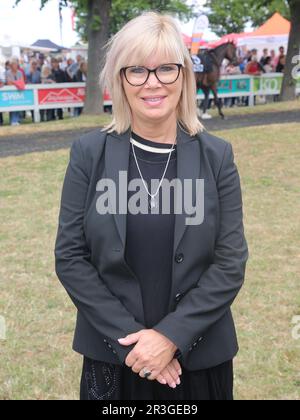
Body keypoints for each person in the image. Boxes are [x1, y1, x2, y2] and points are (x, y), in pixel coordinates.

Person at [54, 11, 248, 401]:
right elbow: (71, 258)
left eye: (166, 69)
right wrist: (135, 346)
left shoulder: (216, 156)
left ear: (185, 76)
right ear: (119, 80)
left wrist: (171, 336)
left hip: (197, 360)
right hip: (113, 357)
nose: (152, 83)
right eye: (137, 70)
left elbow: (230, 262)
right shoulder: (88, 154)